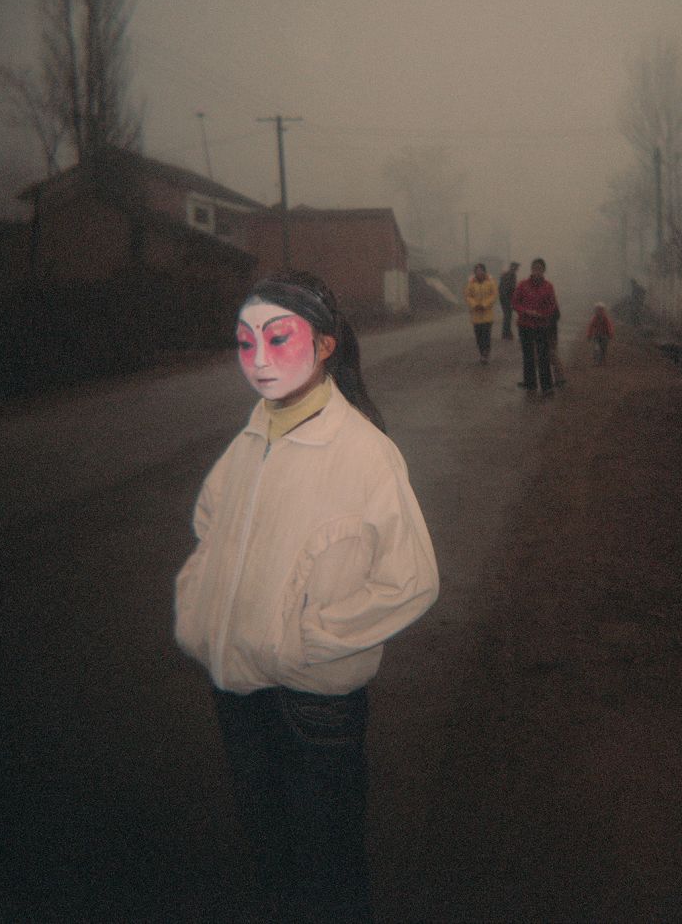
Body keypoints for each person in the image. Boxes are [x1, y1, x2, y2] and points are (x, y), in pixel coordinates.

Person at [173, 270, 439, 923]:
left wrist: (307, 640)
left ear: (324, 345)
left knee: (327, 877)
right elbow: (209, 528)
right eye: (245, 341)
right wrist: (201, 608)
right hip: (236, 690)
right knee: (272, 860)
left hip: (311, 701)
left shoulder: (365, 454)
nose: (259, 359)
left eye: (278, 338)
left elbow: (413, 580)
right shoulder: (250, 438)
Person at [511, 257, 558, 396]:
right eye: (534, 268)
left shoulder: (548, 286)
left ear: (543, 270)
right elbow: (514, 302)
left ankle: (546, 386)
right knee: (528, 355)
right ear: (531, 269)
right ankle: (531, 384)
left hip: (541, 325)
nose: (537, 271)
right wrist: (525, 311)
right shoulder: (523, 285)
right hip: (525, 324)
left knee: (543, 355)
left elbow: (552, 305)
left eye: (539, 269)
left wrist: (542, 314)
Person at [463, 262, 499, 364]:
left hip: (487, 315)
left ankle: (485, 354)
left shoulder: (490, 282)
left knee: (486, 335)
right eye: (477, 271)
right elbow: (468, 295)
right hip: (476, 315)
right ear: (474, 272)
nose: (479, 273)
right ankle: (481, 353)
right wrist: (475, 305)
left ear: (484, 271)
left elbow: (494, 295)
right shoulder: (471, 283)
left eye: (480, 270)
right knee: (479, 336)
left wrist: (484, 304)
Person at [497, 261, 520, 340]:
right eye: (516, 267)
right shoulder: (509, 275)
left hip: (507, 298)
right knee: (507, 316)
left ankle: (507, 332)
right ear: (512, 267)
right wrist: (508, 300)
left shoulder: (511, 275)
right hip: (506, 298)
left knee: (508, 316)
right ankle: (506, 333)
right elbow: (505, 288)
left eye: (517, 267)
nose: (517, 269)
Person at [545, 305, 566, 386]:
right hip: (551, 332)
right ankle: (559, 377)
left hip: (548, 333)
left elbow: (556, 315)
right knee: (552, 355)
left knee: (552, 355)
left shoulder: (550, 302)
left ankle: (560, 377)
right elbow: (557, 315)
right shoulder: (552, 301)